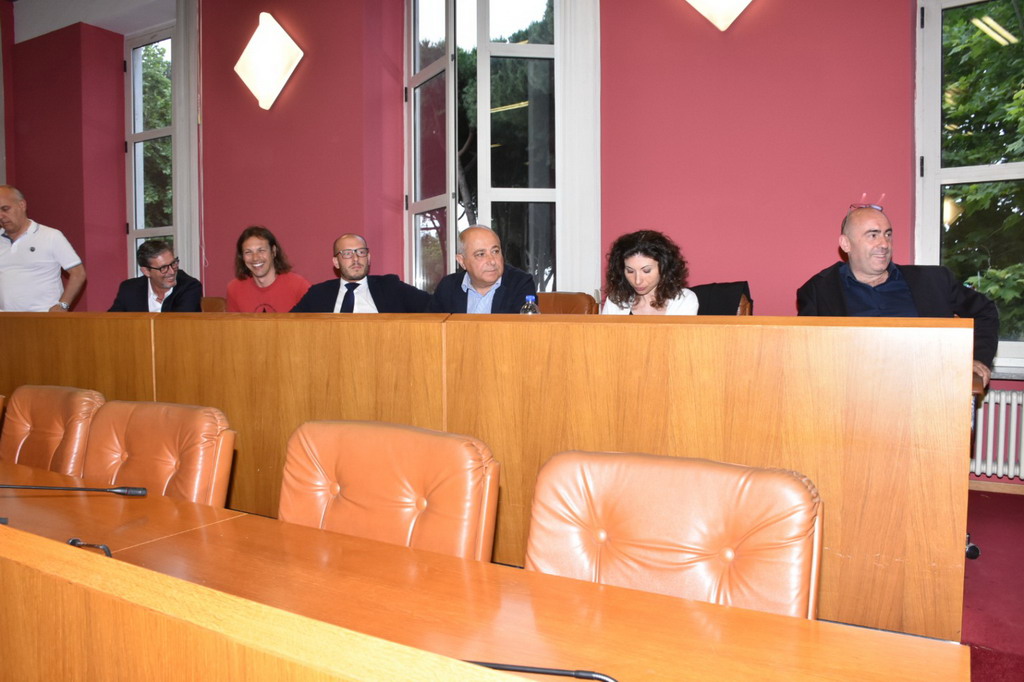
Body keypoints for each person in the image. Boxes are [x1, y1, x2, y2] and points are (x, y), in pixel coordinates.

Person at [797, 203, 999, 386]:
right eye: (873, 235)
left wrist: (977, 358)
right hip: (848, 397)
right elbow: (805, 352)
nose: (884, 244)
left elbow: (985, 311)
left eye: (888, 234)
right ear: (846, 244)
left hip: (927, 394)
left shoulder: (934, 281)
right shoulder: (819, 290)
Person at [291, 233, 430, 312]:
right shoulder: (318, 294)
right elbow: (289, 324)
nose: (356, 258)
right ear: (336, 262)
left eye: (361, 252)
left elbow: (433, 305)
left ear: (368, 258)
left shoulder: (390, 287)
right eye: (347, 253)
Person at [0, 185, 86, 312]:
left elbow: (78, 273)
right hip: (5, 318)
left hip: (43, 316)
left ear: (22, 205)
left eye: (5, 209)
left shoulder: (51, 236)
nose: (1, 216)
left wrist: (63, 305)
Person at [427, 226, 536, 314]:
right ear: (462, 261)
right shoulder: (448, 287)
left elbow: (522, 331)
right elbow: (432, 328)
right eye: (481, 254)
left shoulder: (520, 283)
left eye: (495, 251)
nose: (492, 261)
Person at [601, 230, 698, 315]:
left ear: (664, 267)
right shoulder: (616, 300)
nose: (637, 281)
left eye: (646, 271)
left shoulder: (684, 300)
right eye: (630, 271)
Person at [226, 226, 310, 312]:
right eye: (248, 252)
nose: (255, 258)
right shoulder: (234, 289)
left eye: (261, 250)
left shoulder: (299, 286)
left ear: (273, 251)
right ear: (242, 257)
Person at [109, 240, 202, 312]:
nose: (172, 271)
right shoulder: (129, 289)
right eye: (163, 268)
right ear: (146, 271)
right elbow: (111, 322)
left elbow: (179, 325)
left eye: (173, 263)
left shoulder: (190, 287)